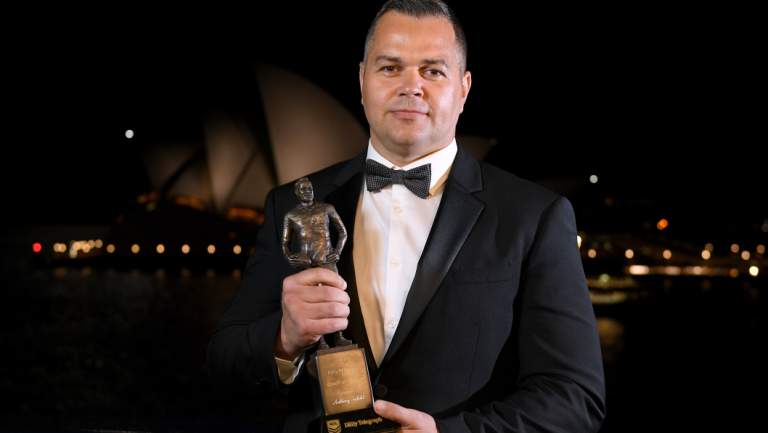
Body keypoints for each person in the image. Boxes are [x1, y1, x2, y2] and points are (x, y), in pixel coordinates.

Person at [207, 1, 606, 432]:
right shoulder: (292, 203)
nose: (410, 86)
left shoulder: (535, 217)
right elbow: (222, 362)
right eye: (390, 68)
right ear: (362, 81)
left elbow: (574, 398)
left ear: (464, 89)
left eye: (433, 71)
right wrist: (284, 338)